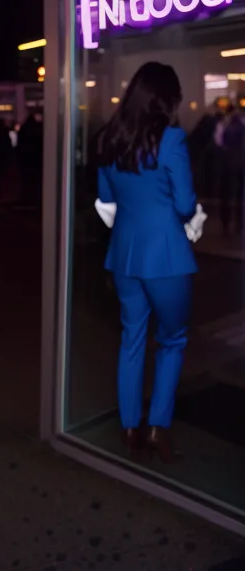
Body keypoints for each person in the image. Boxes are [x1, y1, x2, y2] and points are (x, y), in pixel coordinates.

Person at [95, 62, 205, 464]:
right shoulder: (172, 139)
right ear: (165, 98)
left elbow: (105, 200)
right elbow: (183, 204)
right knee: (172, 340)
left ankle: (129, 428)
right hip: (167, 257)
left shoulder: (109, 139)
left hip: (124, 254)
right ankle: (157, 426)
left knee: (132, 338)